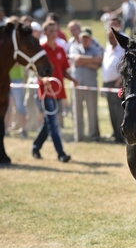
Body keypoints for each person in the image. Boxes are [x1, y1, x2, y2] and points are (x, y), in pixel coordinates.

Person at [32, 20, 78, 162]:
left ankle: (36, 146)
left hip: (59, 91)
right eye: (50, 31)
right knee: (53, 123)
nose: (53, 34)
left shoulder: (60, 49)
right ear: (44, 33)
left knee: (48, 122)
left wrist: (72, 79)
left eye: (55, 30)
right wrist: (43, 79)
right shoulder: (41, 49)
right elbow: (35, 69)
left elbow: (63, 69)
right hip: (46, 92)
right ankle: (61, 153)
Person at [68, 28, 102, 142]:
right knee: (77, 110)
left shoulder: (95, 48)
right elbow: (76, 60)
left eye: (87, 38)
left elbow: (98, 64)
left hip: (91, 83)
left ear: (90, 39)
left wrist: (84, 62)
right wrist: (92, 61)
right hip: (77, 83)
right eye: (83, 37)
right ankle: (79, 136)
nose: (85, 40)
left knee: (92, 110)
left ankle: (94, 135)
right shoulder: (74, 47)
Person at [101, 29, 125, 143]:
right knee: (111, 110)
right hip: (107, 83)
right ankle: (115, 133)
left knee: (118, 110)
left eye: (112, 37)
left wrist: (120, 80)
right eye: (109, 38)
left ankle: (121, 135)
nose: (110, 40)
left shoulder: (121, 50)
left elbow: (125, 66)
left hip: (117, 83)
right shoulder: (108, 49)